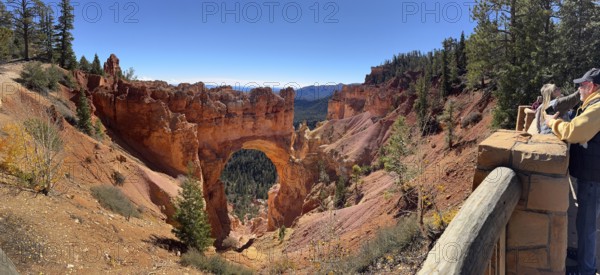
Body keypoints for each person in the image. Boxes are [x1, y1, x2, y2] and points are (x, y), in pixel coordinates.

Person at [545, 68, 600, 275]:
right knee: (585, 220)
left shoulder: (597, 107)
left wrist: (552, 123)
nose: (578, 89)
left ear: (591, 86)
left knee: (586, 225)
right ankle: (586, 257)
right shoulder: (592, 103)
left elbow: (574, 131)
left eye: (581, 86)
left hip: (594, 176)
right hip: (592, 173)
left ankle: (586, 269)